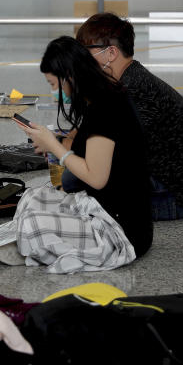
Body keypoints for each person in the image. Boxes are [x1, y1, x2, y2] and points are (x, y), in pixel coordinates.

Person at [10, 36, 152, 269]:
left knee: (32, 223)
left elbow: (96, 177)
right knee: (31, 199)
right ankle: (31, 245)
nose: (55, 92)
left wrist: (54, 146)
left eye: (54, 84)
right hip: (101, 206)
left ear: (70, 76)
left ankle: (31, 246)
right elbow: (85, 152)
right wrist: (51, 142)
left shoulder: (107, 109)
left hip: (118, 228)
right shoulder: (102, 99)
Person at [75, 13, 183, 219]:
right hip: (181, 189)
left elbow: (107, 156)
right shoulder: (132, 77)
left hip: (175, 198)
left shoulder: (132, 90)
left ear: (111, 52)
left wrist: (59, 147)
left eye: (85, 52)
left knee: (78, 184)